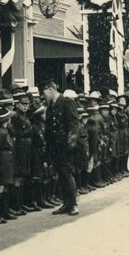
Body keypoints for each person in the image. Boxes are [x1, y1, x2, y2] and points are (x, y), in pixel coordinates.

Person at [43, 83, 79, 215]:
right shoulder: (51, 107)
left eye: (44, 92)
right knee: (60, 174)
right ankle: (66, 203)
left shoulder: (66, 102)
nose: (44, 95)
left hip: (65, 145)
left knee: (67, 173)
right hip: (55, 146)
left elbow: (73, 124)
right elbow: (48, 129)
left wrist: (71, 145)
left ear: (51, 89)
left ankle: (73, 204)